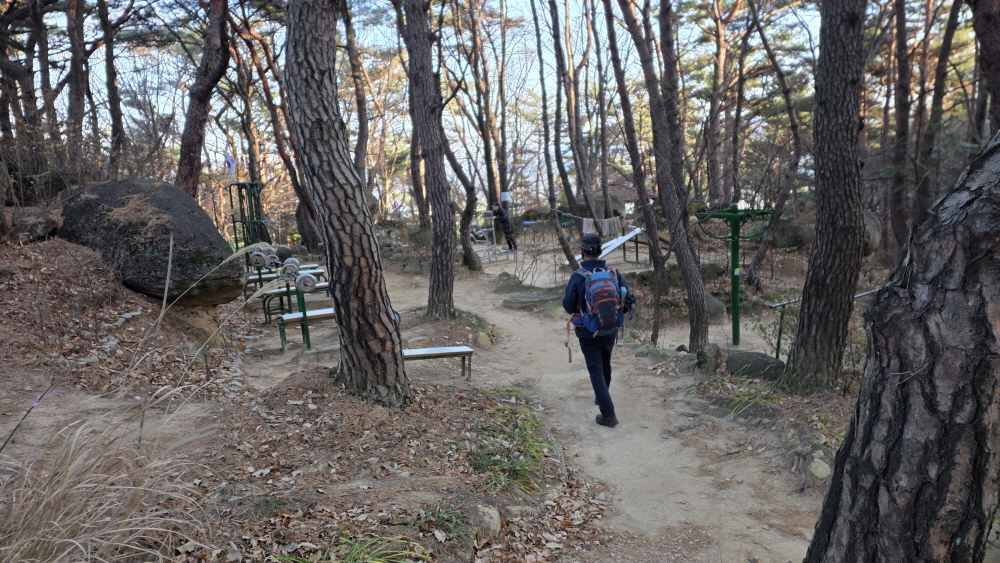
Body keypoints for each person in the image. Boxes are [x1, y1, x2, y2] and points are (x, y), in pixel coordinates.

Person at [562, 234, 630, 428]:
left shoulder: (578, 276)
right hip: (610, 328)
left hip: (587, 331)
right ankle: (602, 396)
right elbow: (626, 298)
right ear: (601, 251)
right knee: (605, 362)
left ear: (582, 252)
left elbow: (568, 306)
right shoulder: (613, 273)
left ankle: (608, 415)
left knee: (595, 369)